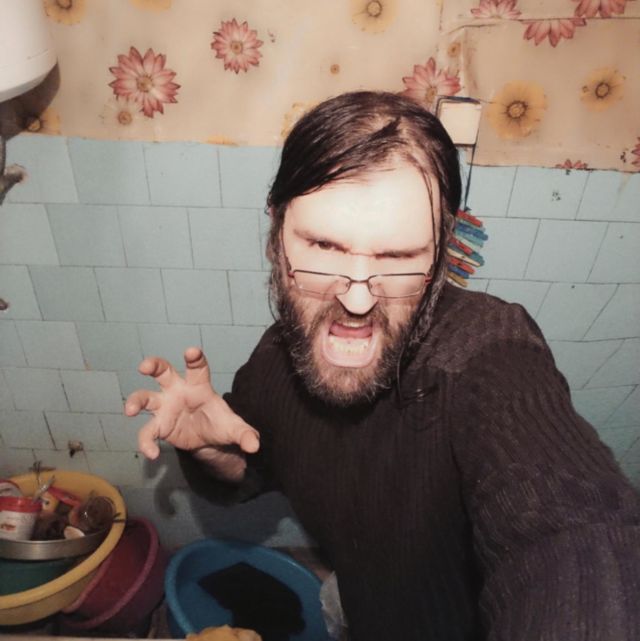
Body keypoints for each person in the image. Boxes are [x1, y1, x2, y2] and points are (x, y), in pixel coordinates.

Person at [125, 91, 640, 641]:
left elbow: (574, 536)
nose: (356, 299)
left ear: (441, 252)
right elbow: (250, 473)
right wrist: (212, 452)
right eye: (324, 246)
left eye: (398, 258)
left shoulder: (488, 355)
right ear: (276, 235)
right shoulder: (277, 356)